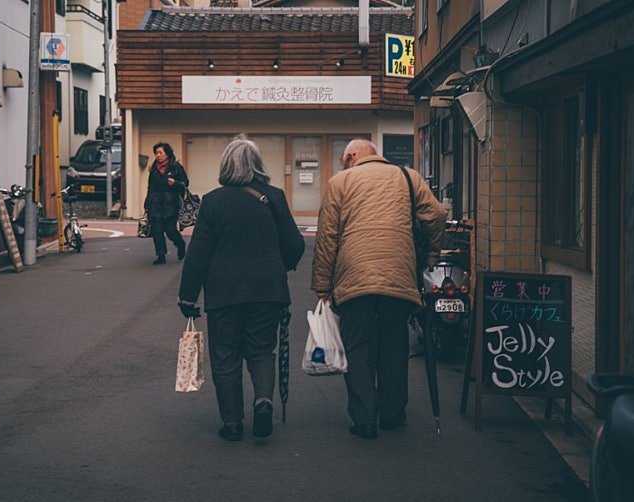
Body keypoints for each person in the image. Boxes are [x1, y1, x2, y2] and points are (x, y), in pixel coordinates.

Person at [311, 138, 447, 439]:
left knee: (357, 348)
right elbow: (436, 215)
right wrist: (430, 255)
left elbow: (327, 236)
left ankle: (364, 420)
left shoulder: (340, 182)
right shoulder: (408, 177)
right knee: (394, 347)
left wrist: (322, 284)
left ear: (350, 157)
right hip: (398, 276)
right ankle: (392, 414)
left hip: (353, 278)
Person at [178, 135, 305, 442]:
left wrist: (187, 295)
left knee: (225, 355)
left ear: (226, 166)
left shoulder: (213, 201)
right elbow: (295, 245)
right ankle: (263, 401)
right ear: (258, 165)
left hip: (224, 293)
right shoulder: (274, 196)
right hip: (266, 290)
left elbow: (199, 253)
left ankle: (233, 422)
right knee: (262, 350)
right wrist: (278, 266)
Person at [144, 142, 188, 265]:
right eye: (156, 153)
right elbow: (150, 187)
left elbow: (185, 183)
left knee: (170, 230)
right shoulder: (153, 169)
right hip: (155, 203)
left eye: (160, 153)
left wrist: (175, 183)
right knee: (156, 231)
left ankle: (180, 244)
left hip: (171, 204)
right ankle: (161, 255)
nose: (158, 155)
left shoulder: (175, 167)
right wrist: (147, 204)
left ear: (167, 154)